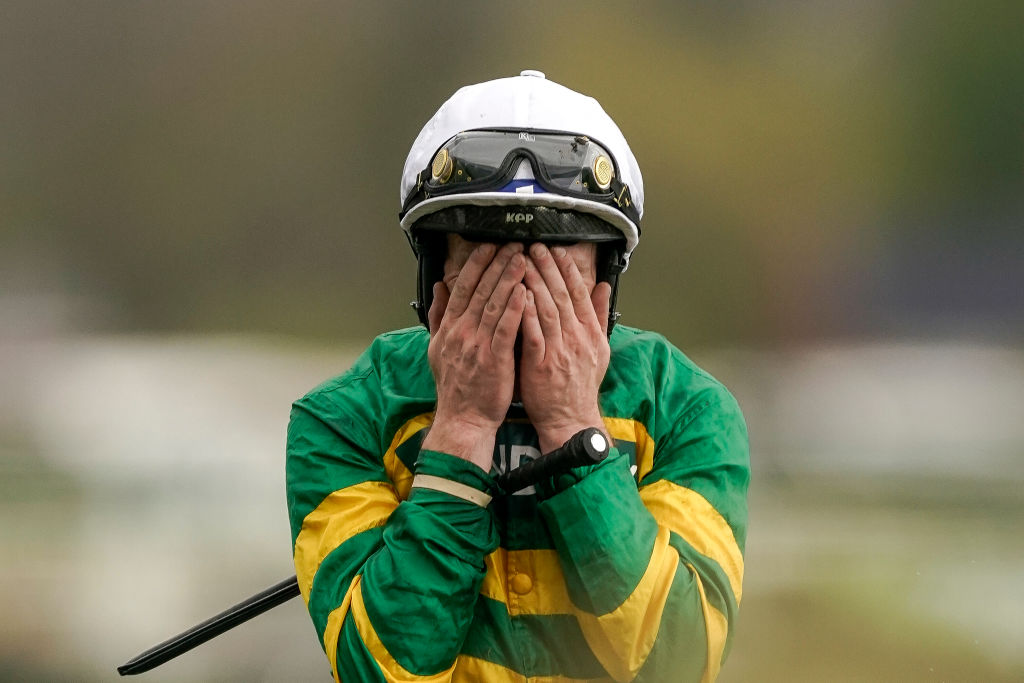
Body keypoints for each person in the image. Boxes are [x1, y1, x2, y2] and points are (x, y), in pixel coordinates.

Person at [286, 70, 749, 682]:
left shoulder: (688, 409)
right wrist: (463, 426)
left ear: (606, 286)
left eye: (554, 265)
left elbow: (678, 663)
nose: (523, 298)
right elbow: (379, 670)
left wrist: (572, 421)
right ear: (434, 280)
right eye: (490, 263)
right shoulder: (343, 419)